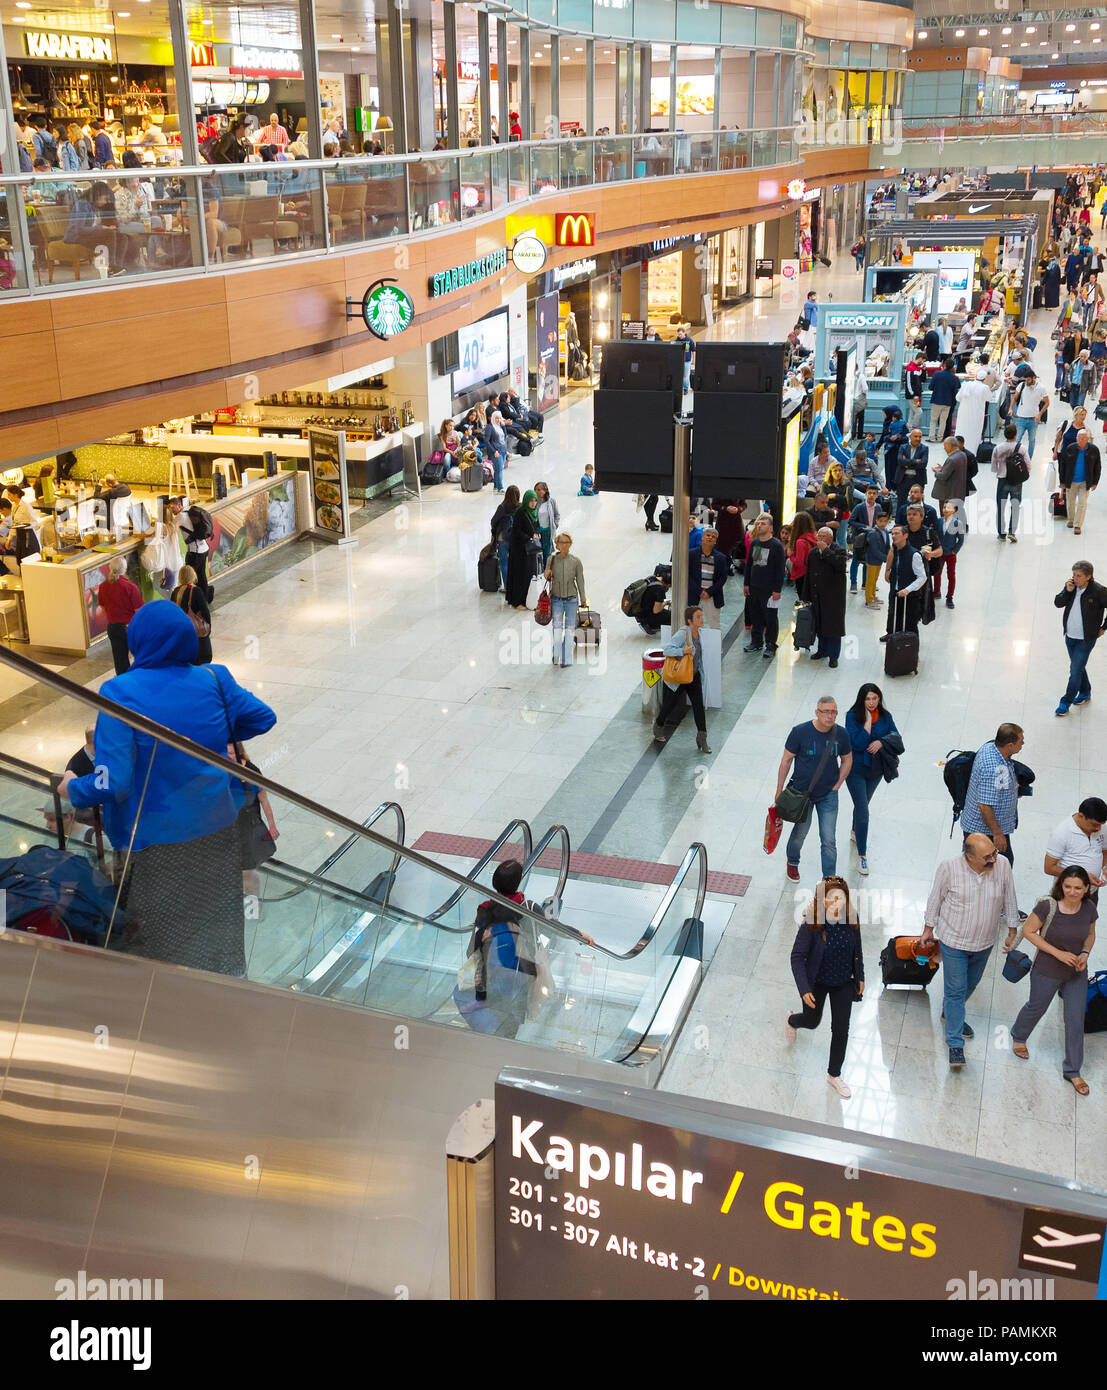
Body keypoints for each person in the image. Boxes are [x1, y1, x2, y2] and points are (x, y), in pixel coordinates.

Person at [58, 602, 276, 976]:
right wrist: (210, 736)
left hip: (153, 842)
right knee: (216, 917)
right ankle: (227, 987)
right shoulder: (214, 678)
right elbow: (263, 717)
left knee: (164, 933)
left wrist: (72, 788)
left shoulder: (119, 692)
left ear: (138, 642)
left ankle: (167, 1009)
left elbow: (115, 780)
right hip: (216, 828)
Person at [922, 834, 1018, 1072]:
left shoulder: (1002, 865)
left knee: (970, 986)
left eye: (994, 853)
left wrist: (1013, 929)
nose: (994, 859)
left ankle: (951, 1012)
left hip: (984, 943)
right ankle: (954, 1043)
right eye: (987, 856)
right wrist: (927, 929)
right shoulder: (949, 868)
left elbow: (1010, 896)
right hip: (954, 941)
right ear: (969, 856)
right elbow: (936, 898)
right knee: (955, 990)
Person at [1008, 868, 1097, 1095]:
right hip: (1047, 969)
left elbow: (1090, 934)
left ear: (1087, 888)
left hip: (1076, 972)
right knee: (1036, 1007)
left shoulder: (1089, 908)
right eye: (1068, 886)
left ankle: (1073, 1071)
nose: (1072, 892)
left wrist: (1085, 954)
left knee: (1075, 1019)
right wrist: (1059, 954)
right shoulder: (1047, 906)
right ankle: (1019, 1035)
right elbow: (1029, 931)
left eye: (1078, 887)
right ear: (1061, 885)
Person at [785, 877, 865, 1099]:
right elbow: (797, 957)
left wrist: (860, 976)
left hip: (843, 983)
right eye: (831, 897)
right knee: (812, 1021)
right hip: (817, 983)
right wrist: (804, 988)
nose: (836, 902)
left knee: (841, 1028)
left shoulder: (851, 919)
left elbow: (857, 950)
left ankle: (834, 1074)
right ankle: (792, 1020)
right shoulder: (812, 924)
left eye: (840, 897)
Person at [454, 860, 540, 1038]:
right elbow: (553, 929)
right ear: (518, 882)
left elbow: (471, 951)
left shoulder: (485, 909)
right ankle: (507, 1041)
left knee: (484, 1004)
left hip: (493, 975)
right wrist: (580, 934)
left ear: (495, 884)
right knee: (513, 1013)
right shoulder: (529, 907)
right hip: (522, 971)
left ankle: (493, 1039)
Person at [777, 696, 852, 883]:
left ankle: (829, 879)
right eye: (826, 711)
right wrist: (779, 789)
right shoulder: (800, 732)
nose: (830, 715)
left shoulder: (841, 734)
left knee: (828, 839)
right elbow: (786, 761)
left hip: (828, 794)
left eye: (833, 711)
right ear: (816, 712)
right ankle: (792, 862)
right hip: (802, 794)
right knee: (800, 833)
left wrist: (838, 784)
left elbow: (847, 759)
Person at [959, 723, 1025, 865]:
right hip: (984, 830)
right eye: (1020, 741)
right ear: (1010, 745)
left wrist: (1012, 789)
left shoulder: (990, 747)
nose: (1023, 743)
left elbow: (995, 787)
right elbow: (984, 806)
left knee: (1001, 862)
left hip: (992, 826)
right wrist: (997, 834)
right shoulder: (994, 768)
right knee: (994, 864)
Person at [654, 606, 711, 753]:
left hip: (693, 676)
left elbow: (698, 658)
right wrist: (682, 651)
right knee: (669, 705)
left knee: (698, 707)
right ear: (690, 621)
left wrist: (701, 674)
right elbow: (667, 650)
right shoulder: (682, 633)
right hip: (679, 678)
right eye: (698, 617)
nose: (701, 619)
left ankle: (702, 739)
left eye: (701, 616)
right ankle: (658, 725)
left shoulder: (699, 633)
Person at [229, 741, 278, 909]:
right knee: (242, 871)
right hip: (231, 828)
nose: (230, 756)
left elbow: (264, 799)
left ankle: (253, 908)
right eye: (227, 753)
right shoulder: (222, 769)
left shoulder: (250, 770)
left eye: (232, 753)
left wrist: (272, 825)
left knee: (247, 872)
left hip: (249, 828)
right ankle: (248, 904)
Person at [1054, 559, 1107, 716]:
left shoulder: (1099, 591)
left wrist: (1104, 627)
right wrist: (1067, 591)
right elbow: (1058, 603)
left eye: (1078, 576)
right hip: (1070, 636)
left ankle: (1065, 701)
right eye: (1073, 575)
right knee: (1078, 667)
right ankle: (1085, 692)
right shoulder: (1071, 586)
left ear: (1088, 577)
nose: (1074, 578)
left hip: (1086, 639)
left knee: (1075, 669)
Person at [742, 513, 785, 657]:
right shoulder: (755, 543)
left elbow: (779, 570)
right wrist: (746, 583)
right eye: (758, 524)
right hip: (754, 587)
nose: (759, 526)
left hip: (769, 590)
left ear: (771, 528)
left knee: (770, 618)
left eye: (763, 524)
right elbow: (751, 565)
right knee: (755, 616)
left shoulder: (776, 546)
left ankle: (771, 645)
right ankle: (756, 642)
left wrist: (777, 589)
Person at [880, 521, 928, 643]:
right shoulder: (896, 550)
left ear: (905, 536)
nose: (893, 536)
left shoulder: (914, 554)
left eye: (897, 533)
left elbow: (922, 577)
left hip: (910, 595)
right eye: (893, 533)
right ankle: (891, 634)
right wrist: (888, 570)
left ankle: (911, 648)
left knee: (909, 622)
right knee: (893, 613)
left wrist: (907, 589)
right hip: (895, 590)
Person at [805, 527, 847, 668]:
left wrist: (826, 551)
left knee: (833, 628)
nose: (820, 540)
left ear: (831, 538)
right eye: (819, 536)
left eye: (824, 537)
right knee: (820, 625)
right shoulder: (812, 553)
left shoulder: (839, 550)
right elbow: (808, 574)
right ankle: (822, 650)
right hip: (817, 596)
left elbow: (840, 565)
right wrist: (806, 595)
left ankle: (834, 656)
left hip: (834, 598)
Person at [544, 532, 586, 669]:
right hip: (556, 599)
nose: (564, 545)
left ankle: (566, 659)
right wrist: (547, 574)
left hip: (572, 600)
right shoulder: (551, 559)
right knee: (557, 630)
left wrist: (583, 599)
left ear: (570, 544)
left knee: (569, 630)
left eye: (567, 543)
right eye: (562, 543)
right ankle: (556, 654)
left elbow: (580, 581)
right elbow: (546, 574)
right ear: (557, 544)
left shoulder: (576, 561)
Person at [96, 555, 143, 676]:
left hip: (113, 627)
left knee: (120, 662)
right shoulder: (131, 587)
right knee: (140, 658)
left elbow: (103, 607)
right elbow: (139, 611)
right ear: (125, 569)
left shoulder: (103, 586)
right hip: (130, 627)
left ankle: (123, 686)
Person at [1045, 799, 1107, 889]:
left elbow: (1105, 852)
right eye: (1094, 824)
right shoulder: (1061, 833)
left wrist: (1105, 867)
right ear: (1081, 816)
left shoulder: (1101, 827)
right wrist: (1082, 876)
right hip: (1068, 893)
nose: (1098, 828)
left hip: (1091, 890)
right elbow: (1049, 868)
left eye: (1101, 824)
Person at [169, 497, 213, 601]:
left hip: (195, 552)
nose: (172, 510)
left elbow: (171, 530)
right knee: (201, 575)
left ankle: (192, 600)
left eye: (172, 507)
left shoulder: (180, 516)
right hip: (204, 548)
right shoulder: (188, 512)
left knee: (188, 578)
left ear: (179, 505)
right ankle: (205, 597)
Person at [1058, 427, 1101, 536]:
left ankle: (1077, 525)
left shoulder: (1094, 450)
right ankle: (1071, 520)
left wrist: (1095, 482)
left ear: (1088, 439)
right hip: (1070, 481)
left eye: (1083, 438)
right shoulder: (1070, 448)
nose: (1080, 440)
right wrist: (1062, 481)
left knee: (1082, 503)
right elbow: (1062, 466)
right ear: (1076, 438)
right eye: (1079, 438)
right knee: (1070, 503)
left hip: (1085, 482)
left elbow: (1098, 467)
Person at [688, 526, 731, 631]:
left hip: (712, 597)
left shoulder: (721, 558)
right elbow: (687, 576)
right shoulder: (691, 555)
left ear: (715, 541)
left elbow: (723, 578)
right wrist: (699, 591)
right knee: (691, 625)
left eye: (713, 537)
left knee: (714, 626)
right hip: (695, 595)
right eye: (707, 535)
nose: (710, 538)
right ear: (702, 537)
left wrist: (709, 592)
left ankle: (716, 648)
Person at [992, 422, 1029, 542]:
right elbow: (1028, 465)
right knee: (1015, 506)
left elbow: (994, 467)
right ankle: (1012, 532)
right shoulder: (1021, 448)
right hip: (1017, 481)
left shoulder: (998, 448)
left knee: (1000, 507)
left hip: (1002, 480)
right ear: (1016, 434)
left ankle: (1001, 533)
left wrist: (1000, 470)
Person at [505, 489, 540, 610]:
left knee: (531, 575)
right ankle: (518, 601)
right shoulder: (520, 513)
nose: (533, 503)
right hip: (520, 551)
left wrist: (536, 534)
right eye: (531, 501)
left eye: (535, 501)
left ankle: (529, 600)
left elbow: (536, 527)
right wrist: (529, 537)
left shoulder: (534, 513)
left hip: (531, 551)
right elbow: (516, 531)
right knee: (521, 575)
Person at [171, 563, 212, 665]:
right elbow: (205, 611)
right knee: (203, 660)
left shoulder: (175, 592)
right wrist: (208, 626)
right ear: (193, 575)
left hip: (182, 632)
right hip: (197, 632)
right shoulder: (196, 590)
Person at [933, 501, 964, 611]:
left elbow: (960, 540)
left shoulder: (958, 523)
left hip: (950, 554)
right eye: (944, 507)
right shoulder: (939, 521)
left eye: (948, 507)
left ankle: (949, 596)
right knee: (937, 572)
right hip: (939, 552)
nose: (945, 509)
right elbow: (935, 535)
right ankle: (936, 591)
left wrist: (954, 551)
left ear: (954, 510)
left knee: (951, 575)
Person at [489, 485, 520, 592]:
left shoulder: (502, 507)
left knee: (504, 563)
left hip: (503, 538)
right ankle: (516, 585)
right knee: (515, 563)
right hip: (515, 539)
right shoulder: (519, 507)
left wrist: (497, 529)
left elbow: (493, 521)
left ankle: (507, 587)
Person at [1012, 370, 1049, 457]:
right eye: (1025, 380)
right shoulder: (1021, 385)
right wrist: (1010, 409)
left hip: (1033, 419)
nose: (1026, 382)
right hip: (1020, 417)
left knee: (1031, 440)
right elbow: (1014, 398)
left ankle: (1029, 458)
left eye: (1028, 380)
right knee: (1017, 439)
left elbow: (1047, 402)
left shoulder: (1041, 388)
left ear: (1034, 378)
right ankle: (1014, 458)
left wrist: (1040, 414)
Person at [954, 369, 990, 456]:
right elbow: (988, 398)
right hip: (977, 414)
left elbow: (958, 398)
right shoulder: (985, 388)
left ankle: (956, 450)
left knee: (961, 430)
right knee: (974, 433)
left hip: (964, 413)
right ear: (984, 379)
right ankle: (972, 453)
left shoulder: (966, 385)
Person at [895, 428, 929, 509]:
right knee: (901, 502)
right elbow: (900, 461)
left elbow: (923, 464)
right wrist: (916, 461)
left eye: (920, 437)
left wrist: (907, 463)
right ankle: (900, 520)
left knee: (918, 503)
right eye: (916, 436)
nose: (918, 439)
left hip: (918, 479)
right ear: (910, 437)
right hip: (903, 478)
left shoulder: (925, 448)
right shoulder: (903, 447)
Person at [927, 359, 960, 443]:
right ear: (952, 366)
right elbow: (956, 390)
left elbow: (930, 387)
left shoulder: (937, 374)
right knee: (943, 421)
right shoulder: (954, 377)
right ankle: (940, 438)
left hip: (936, 400)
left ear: (944, 365)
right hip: (947, 402)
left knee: (933, 420)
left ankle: (931, 437)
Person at [787, 511, 816, 603]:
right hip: (813, 573)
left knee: (804, 602)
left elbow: (799, 562)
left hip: (802, 575)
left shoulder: (800, 542)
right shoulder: (814, 537)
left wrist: (790, 555)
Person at [637, 564, 672, 636]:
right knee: (673, 617)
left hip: (641, 614)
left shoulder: (651, 578)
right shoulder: (660, 589)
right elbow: (656, 610)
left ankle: (648, 624)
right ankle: (651, 626)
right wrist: (666, 603)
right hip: (648, 617)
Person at [534, 481, 560, 564]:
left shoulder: (551, 501)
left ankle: (547, 571)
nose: (536, 492)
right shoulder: (534, 502)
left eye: (539, 490)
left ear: (545, 491)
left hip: (547, 531)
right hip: (538, 531)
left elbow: (557, 514)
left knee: (547, 553)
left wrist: (555, 525)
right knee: (537, 552)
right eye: (535, 490)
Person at [482, 410, 508, 492]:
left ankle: (496, 486)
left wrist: (504, 426)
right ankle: (500, 487)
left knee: (499, 469)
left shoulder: (499, 426)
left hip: (503, 450)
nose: (498, 420)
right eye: (496, 418)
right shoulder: (490, 427)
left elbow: (505, 436)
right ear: (493, 418)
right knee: (499, 469)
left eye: (500, 418)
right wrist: (494, 451)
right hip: (496, 452)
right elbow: (487, 441)